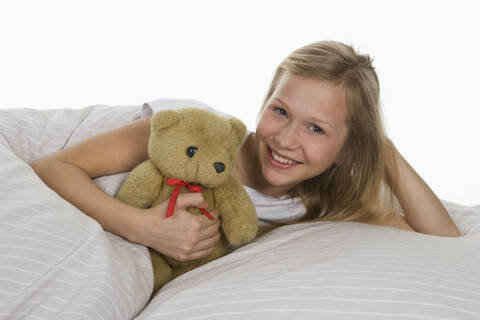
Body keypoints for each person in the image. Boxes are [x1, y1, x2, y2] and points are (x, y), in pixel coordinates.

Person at [30, 40, 462, 264]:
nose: (287, 139)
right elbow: (53, 167)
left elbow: (445, 242)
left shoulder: (324, 205)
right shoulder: (199, 131)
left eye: (316, 128)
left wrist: (384, 151)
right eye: (280, 111)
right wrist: (141, 228)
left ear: (347, 149)